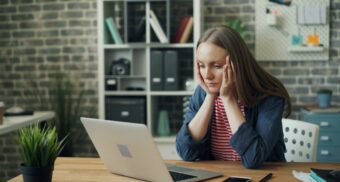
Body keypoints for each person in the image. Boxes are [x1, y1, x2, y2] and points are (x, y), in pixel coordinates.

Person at [176, 26, 291, 169]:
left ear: (237, 63)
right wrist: (210, 96)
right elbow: (185, 152)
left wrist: (228, 99)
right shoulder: (203, 92)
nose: (207, 75)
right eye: (201, 65)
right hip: (220, 175)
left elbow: (253, 159)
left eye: (216, 66)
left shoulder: (269, 96)